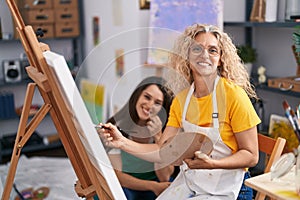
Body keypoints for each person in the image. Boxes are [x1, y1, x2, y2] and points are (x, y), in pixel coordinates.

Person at [99, 24, 261, 200]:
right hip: (193, 183)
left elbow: (251, 156)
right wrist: (121, 142)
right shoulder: (181, 100)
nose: (205, 55)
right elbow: (163, 151)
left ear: (220, 59)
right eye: (197, 49)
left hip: (231, 190)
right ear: (187, 56)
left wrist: (213, 164)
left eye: (213, 50)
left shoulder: (233, 95)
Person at [100, 76, 176, 200]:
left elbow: (165, 177)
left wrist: (158, 137)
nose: (150, 105)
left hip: (158, 183)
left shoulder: (168, 130)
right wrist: (152, 186)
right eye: (147, 97)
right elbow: (117, 176)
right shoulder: (116, 127)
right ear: (138, 96)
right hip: (128, 184)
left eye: (157, 103)